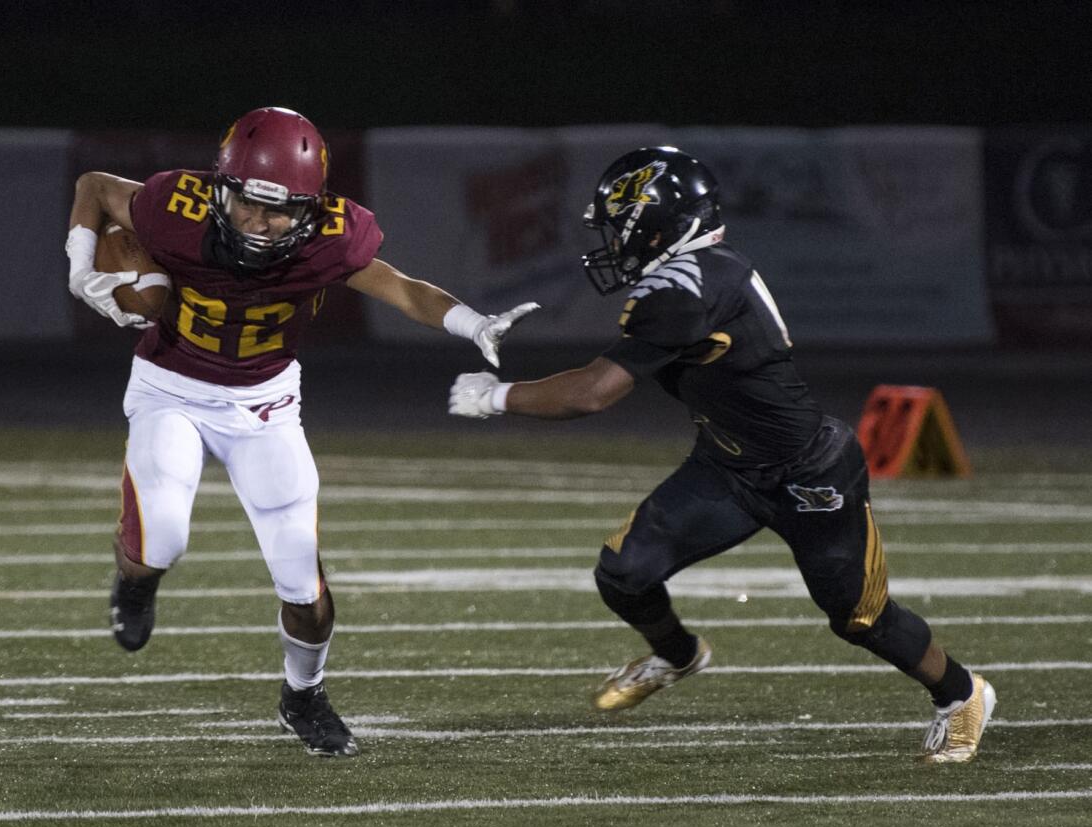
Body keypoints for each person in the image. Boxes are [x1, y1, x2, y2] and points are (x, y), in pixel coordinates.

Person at [448, 146, 995, 763]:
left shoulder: (688, 287)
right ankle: (679, 655)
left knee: (860, 619)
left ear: (656, 221)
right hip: (728, 463)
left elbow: (594, 393)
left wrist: (496, 397)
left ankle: (962, 694)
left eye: (618, 226)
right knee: (624, 573)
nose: (612, 241)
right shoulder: (697, 271)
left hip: (807, 472)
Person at [66, 106, 537, 758]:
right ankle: (136, 582)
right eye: (247, 205)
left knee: (302, 585)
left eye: (279, 210)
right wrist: (80, 261)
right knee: (161, 540)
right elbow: (93, 186)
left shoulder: (333, 239)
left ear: (312, 208)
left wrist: (470, 322)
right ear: (218, 188)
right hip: (170, 388)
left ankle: (302, 694)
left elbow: (402, 289)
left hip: (264, 404)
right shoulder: (175, 205)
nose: (259, 224)